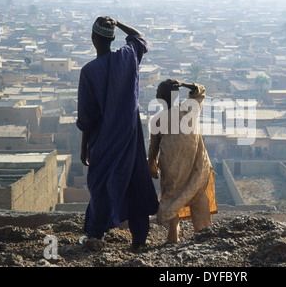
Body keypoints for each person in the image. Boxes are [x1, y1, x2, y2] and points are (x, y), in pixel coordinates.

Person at [76, 16, 158, 250]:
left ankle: (96, 237)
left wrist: (84, 148)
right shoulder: (127, 57)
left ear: (93, 39)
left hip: (103, 141)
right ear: (112, 38)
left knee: (101, 185)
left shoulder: (89, 72)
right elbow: (139, 38)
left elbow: (86, 117)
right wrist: (119, 22)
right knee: (134, 183)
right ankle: (139, 240)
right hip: (131, 139)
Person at [148, 79, 217, 244]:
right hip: (195, 166)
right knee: (198, 196)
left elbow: (153, 148)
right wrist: (185, 84)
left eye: (158, 92)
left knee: (172, 198)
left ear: (160, 97)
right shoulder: (189, 109)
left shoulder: (157, 120)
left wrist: (152, 166)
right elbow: (200, 90)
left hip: (172, 169)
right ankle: (202, 234)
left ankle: (174, 236)